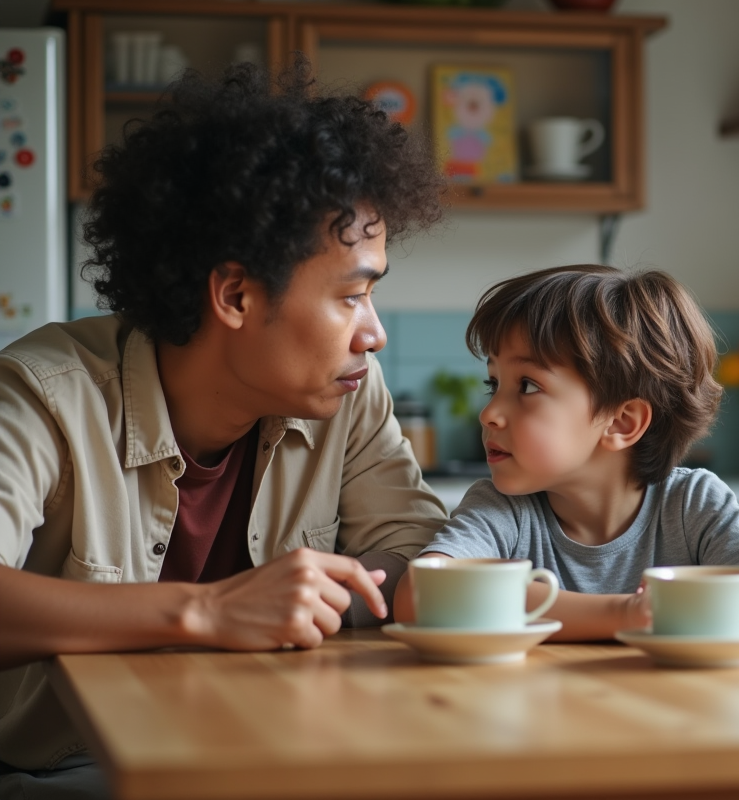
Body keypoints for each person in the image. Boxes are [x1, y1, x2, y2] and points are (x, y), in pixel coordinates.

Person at [0, 61, 449, 796]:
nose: (374, 335)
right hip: (71, 771)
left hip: (278, 747)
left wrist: (327, 597)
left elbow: (423, 555)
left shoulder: (348, 395)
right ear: (235, 295)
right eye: (352, 297)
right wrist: (210, 610)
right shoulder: (44, 393)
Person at [393, 265, 739, 639]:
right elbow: (418, 596)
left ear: (621, 422)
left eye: (527, 386)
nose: (488, 414)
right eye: (493, 384)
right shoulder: (502, 509)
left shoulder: (695, 506)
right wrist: (625, 613)